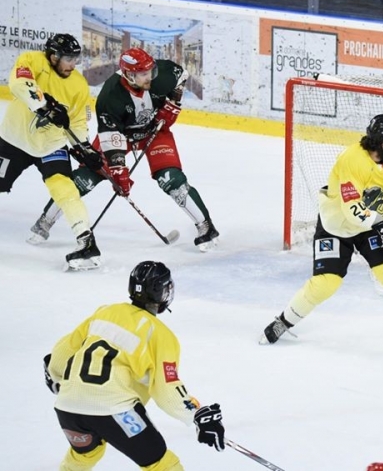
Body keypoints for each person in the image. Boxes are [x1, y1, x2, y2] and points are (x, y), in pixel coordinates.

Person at [259, 114, 383, 345]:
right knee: (326, 283)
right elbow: (352, 209)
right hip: (335, 226)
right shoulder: (352, 159)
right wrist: (382, 224)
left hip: (369, 226)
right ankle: (283, 322)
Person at [27, 47, 219, 252]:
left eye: (150, 71)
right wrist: (119, 170)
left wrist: (174, 101)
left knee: (172, 179)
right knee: (86, 177)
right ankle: (45, 221)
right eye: (143, 74)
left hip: (155, 131)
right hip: (121, 135)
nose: (150, 77)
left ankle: (206, 227)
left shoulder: (161, 74)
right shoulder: (110, 97)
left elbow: (181, 74)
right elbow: (111, 138)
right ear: (129, 75)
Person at [43, 260, 226, 470]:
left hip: (67, 408)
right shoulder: (160, 334)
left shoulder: (105, 312)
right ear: (161, 292)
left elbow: (62, 352)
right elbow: (167, 388)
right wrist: (195, 414)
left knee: (85, 455)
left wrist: (55, 375)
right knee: (161, 464)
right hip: (114, 411)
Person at [0, 33, 104, 270]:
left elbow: (77, 121)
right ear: (53, 56)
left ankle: (86, 240)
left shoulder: (78, 84)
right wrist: (46, 106)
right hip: (14, 141)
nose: (73, 64)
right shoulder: (32, 60)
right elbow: (18, 84)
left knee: (65, 188)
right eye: (68, 58)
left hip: (51, 145)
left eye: (76, 59)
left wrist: (84, 147)